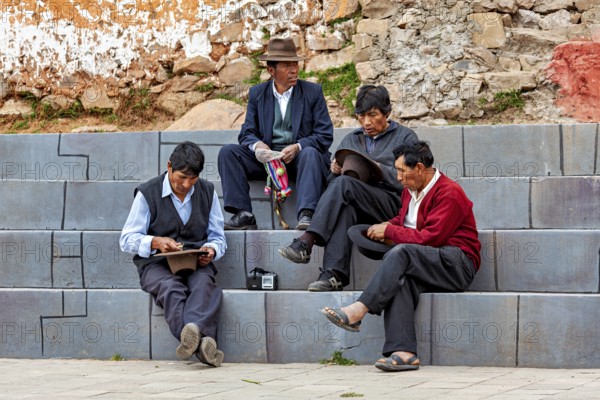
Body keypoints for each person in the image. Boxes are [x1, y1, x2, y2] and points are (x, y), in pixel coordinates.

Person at [320, 140, 481, 372]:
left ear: (419, 168)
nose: (398, 178)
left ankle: (359, 310)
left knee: (402, 252)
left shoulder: (450, 193)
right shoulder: (410, 190)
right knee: (399, 281)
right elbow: (404, 221)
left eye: (402, 171)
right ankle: (404, 353)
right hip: (429, 261)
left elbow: (430, 238)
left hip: (456, 263)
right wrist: (384, 226)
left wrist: (391, 232)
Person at [278, 85, 418, 291]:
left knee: (345, 185)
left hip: (391, 205)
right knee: (344, 203)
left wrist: (378, 169)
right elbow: (330, 186)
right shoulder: (351, 139)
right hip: (357, 203)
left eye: (372, 115)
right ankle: (333, 275)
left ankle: (307, 240)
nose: (366, 122)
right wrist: (334, 170)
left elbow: (413, 181)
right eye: (361, 116)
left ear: (387, 113)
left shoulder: (406, 138)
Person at [120, 141, 227, 367]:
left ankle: (192, 339)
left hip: (196, 262)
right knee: (171, 288)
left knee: (205, 287)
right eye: (181, 178)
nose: (186, 185)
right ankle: (203, 343)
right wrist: (155, 242)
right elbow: (126, 240)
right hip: (155, 265)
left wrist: (212, 250)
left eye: (193, 180)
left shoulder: (208, 192)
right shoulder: (147, 193)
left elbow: (218, 237)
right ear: (169, 167)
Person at [217, 37, 333, 231]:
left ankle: (306, 214)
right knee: (228, 152)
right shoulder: (257, 94)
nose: (294, 70)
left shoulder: (312, 92)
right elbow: (247, 132)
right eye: (287, 66)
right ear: (271, 71)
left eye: (295, 64)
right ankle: (243, 214)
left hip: (300, 161)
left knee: (311, 153)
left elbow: (324, 134)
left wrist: (298, 147)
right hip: (268, 161)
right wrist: (258, 146)